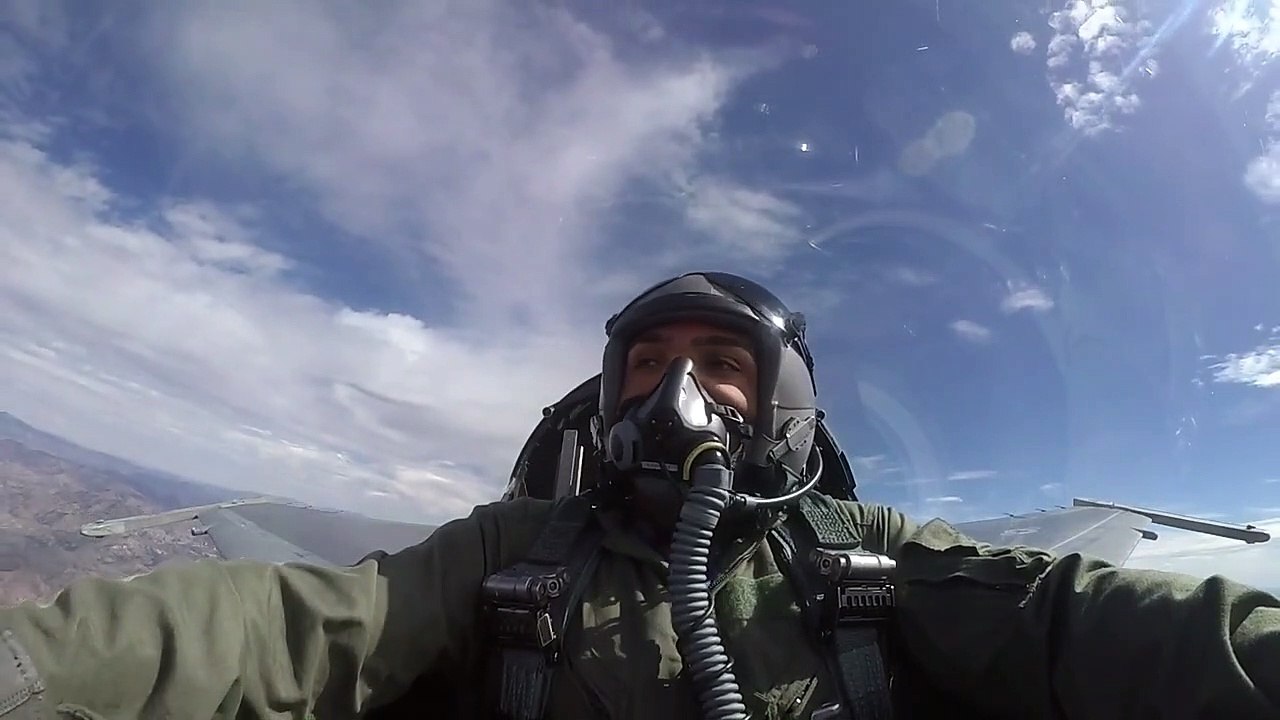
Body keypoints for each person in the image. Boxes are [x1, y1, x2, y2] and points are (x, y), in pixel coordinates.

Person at [1, 272, 1277, 720]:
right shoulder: (513, 550)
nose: (680, 390)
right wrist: (31, 667)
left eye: (721, 363)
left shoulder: (863, 553)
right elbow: (294, 627)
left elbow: (1063, 616)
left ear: (780, 404)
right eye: (650, 363)